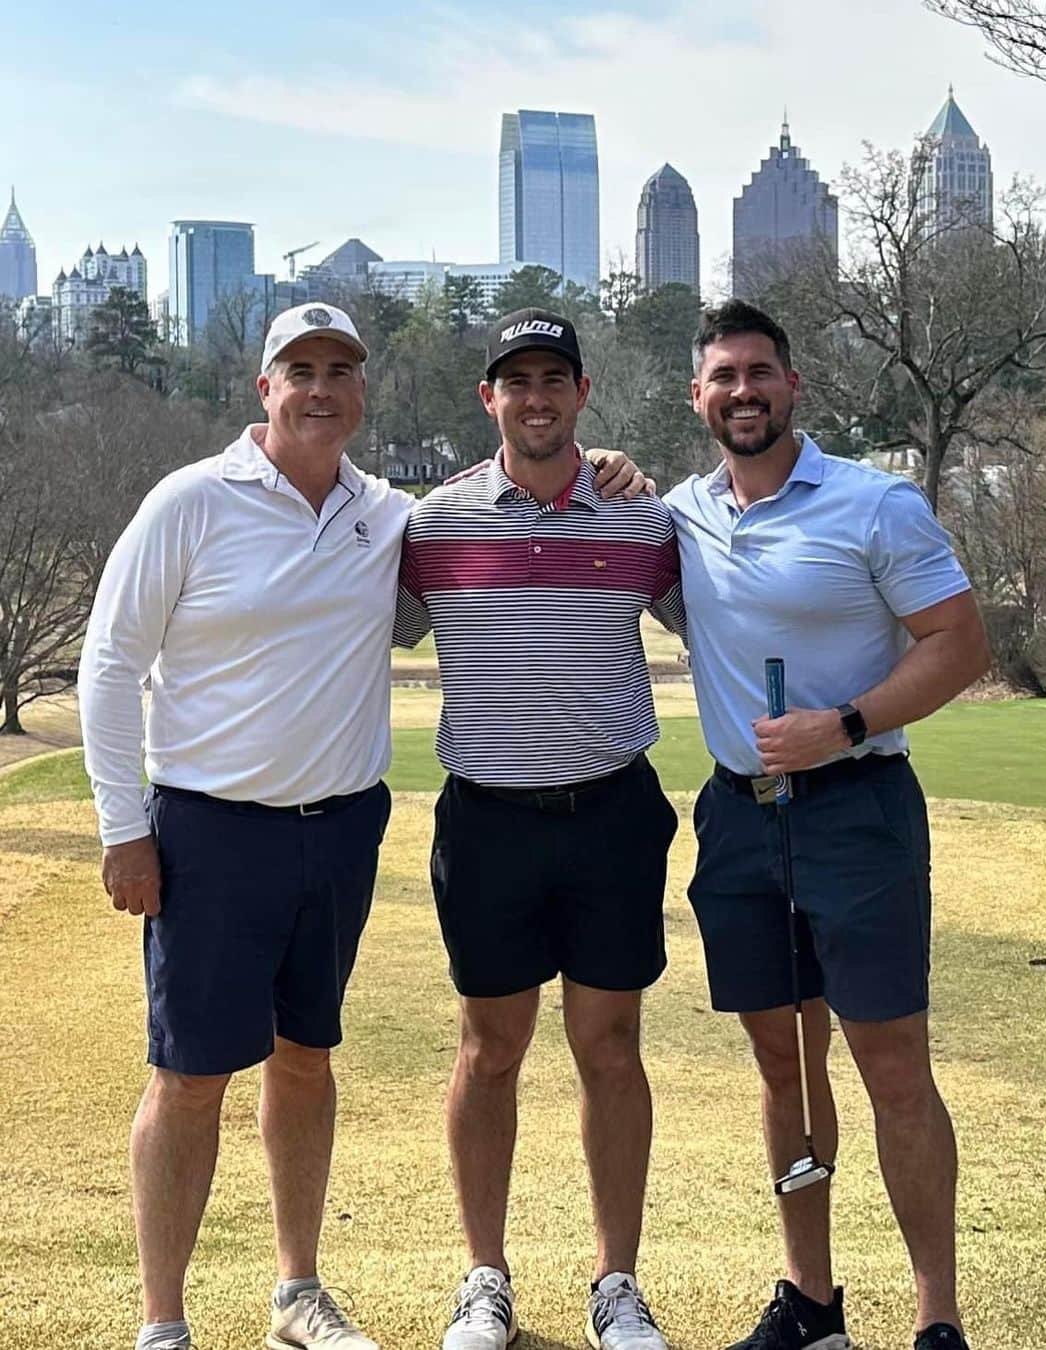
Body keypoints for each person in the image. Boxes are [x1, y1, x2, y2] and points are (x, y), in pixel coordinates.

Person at [77, 301, 645, 1350]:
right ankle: (164, 1322)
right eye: (301, 368)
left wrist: (604, 464)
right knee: (190, 1075)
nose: (322, 385)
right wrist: (125, 829)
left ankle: (298, 1293)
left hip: (338, 831)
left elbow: (529, 489)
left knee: (306, 1059)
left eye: (342, 368)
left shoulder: (388, 515)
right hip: (208, 828)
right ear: (265, 386)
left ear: (364, 391)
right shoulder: (190, 503)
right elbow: (110, 666)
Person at [663, 300, 990, 1350]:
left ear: (792, 386)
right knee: (783, 1068)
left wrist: (844, 725)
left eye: (761, 372)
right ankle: (811, 1301)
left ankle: (936, 1315)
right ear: (698, 396)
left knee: (893, 1066)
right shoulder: (681, 513)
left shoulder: (874, 505)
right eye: (724, 376)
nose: (743, 391)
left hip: (858, 814)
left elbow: (958, 643)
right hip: (738, 819)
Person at [394, 308, 685, 1350]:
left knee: (611, 1047)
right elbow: (348, 621)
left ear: (582, 393)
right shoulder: (435, 527)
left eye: (553, 378)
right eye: (515, 381)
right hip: (488, 823)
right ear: (490, 400)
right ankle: (485, 1277)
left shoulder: (639, 521)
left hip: (610, 812)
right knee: (491, 1048)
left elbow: (721, 616)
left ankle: (617, 1281)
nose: (535, 398)